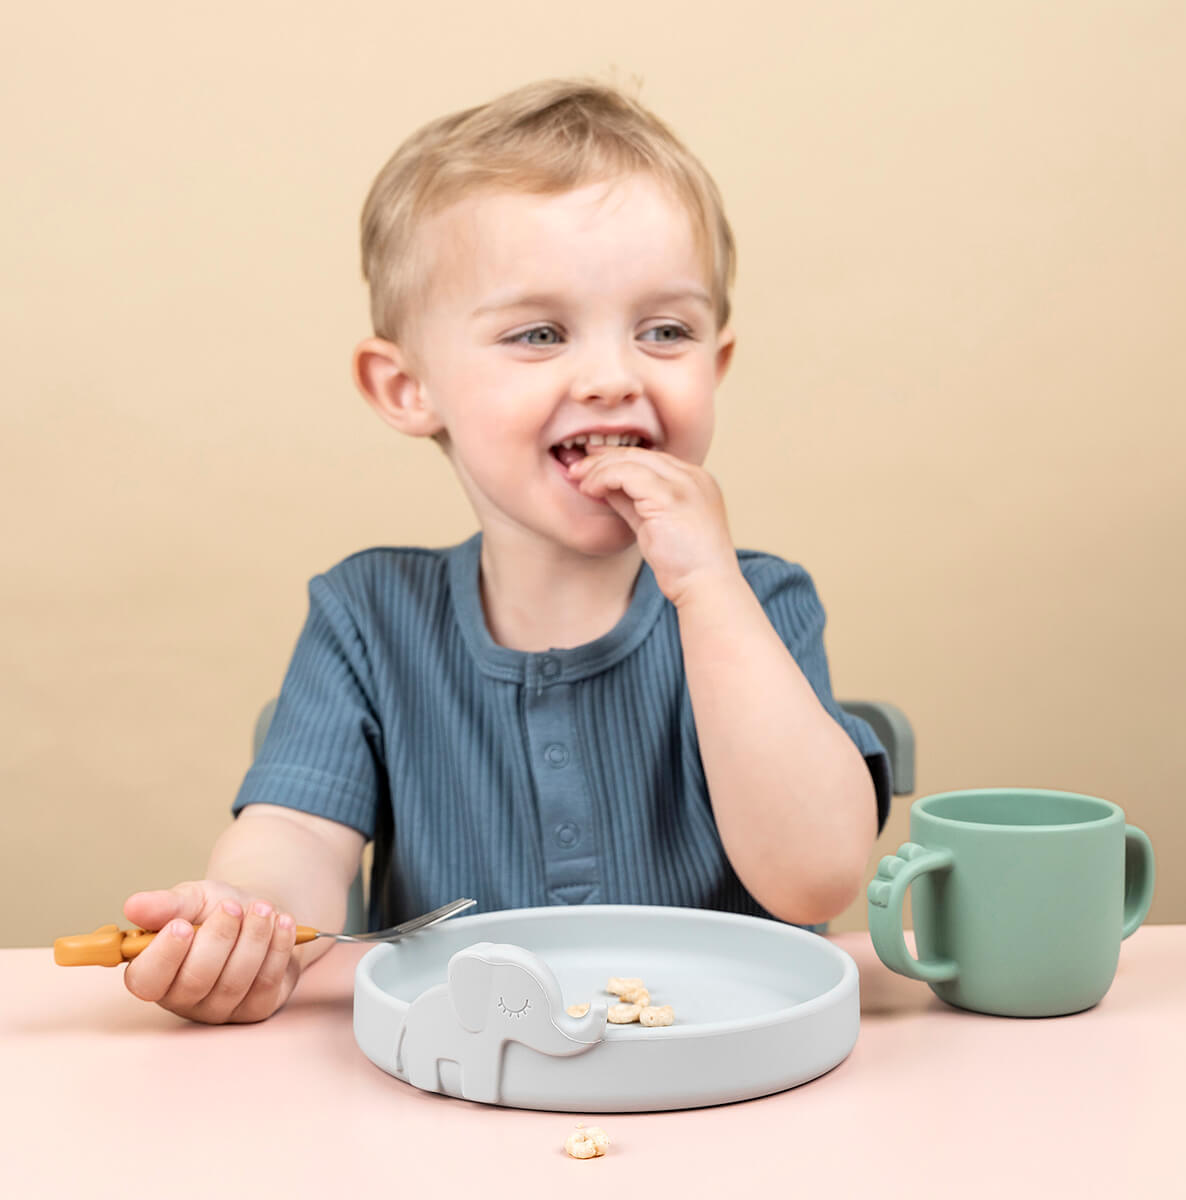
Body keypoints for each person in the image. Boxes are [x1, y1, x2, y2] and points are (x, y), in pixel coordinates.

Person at [122, 78, 891, 1024]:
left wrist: (705, 586)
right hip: (456, 1072)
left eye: (666, 331)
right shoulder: (368, 617)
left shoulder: (757, 601)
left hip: (724, 1072)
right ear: (408, 387)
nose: (614, 376)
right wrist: (246, 926)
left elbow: (815, 882)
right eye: (539, 334)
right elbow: (297, 841)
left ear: (715, 366)